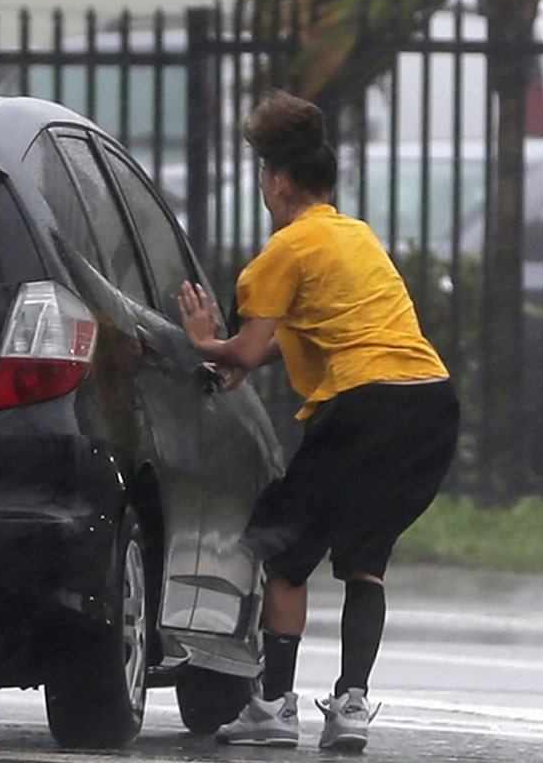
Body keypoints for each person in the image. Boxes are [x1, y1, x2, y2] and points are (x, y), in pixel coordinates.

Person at [177, 91, 458, 752]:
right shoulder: (354, 237)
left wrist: (204, 342)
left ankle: (273, 706)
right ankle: (352, 705)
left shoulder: (283, 251)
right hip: (430, 406)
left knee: (284, 551)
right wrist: (251, 361)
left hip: (362, 407)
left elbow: (245, 345)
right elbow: (322, 328)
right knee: (364, 562)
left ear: (274, 181)